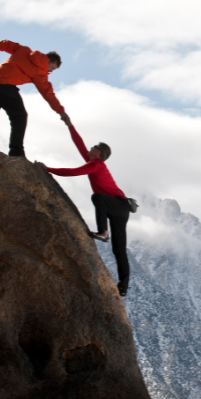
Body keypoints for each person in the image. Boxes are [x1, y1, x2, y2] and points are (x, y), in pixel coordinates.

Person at [37, 125, 133, 297]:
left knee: (98, 197)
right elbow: (79, 143)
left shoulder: (96, 164)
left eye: (93, 147)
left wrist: (48, 169)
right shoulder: (93, 162)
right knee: (119, 249)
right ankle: (123, 286)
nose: (89, 148)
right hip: (121, 207)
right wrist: (68, 124)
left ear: (98, 152)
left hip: (118, 204)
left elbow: (73, 172)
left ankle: (103, 232)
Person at [0, 40, 71, 157]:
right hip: (5, 89)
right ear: (49, 60)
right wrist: (61, 112)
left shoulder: (24, 50)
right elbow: (48, 94)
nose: (50, 71)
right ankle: (16, 152)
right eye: (52, 68)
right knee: (20, 116)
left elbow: (5, 44)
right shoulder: (40, 73)